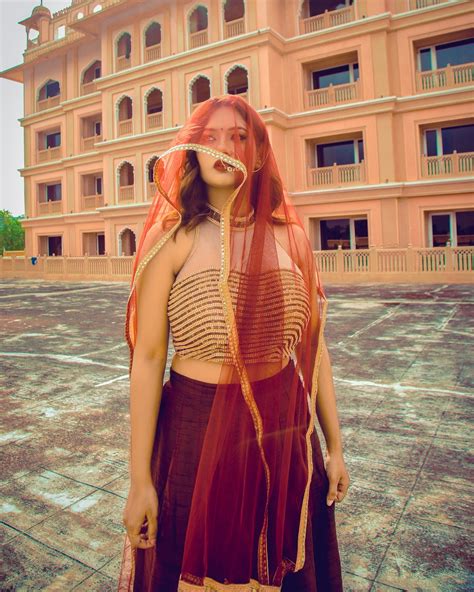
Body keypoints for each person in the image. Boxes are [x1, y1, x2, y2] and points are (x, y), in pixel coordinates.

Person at [117, 94, 350, 592]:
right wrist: (139, 481)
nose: (225, 148)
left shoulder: (291, 239)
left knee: (286, 563)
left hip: (286, 433)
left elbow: (314, 349)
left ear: (260, 153)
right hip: (196, 434)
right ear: (193, 152)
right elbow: (150, 358)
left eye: (240, 137)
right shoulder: (172, 239)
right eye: (212, 138)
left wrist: (335, 448)